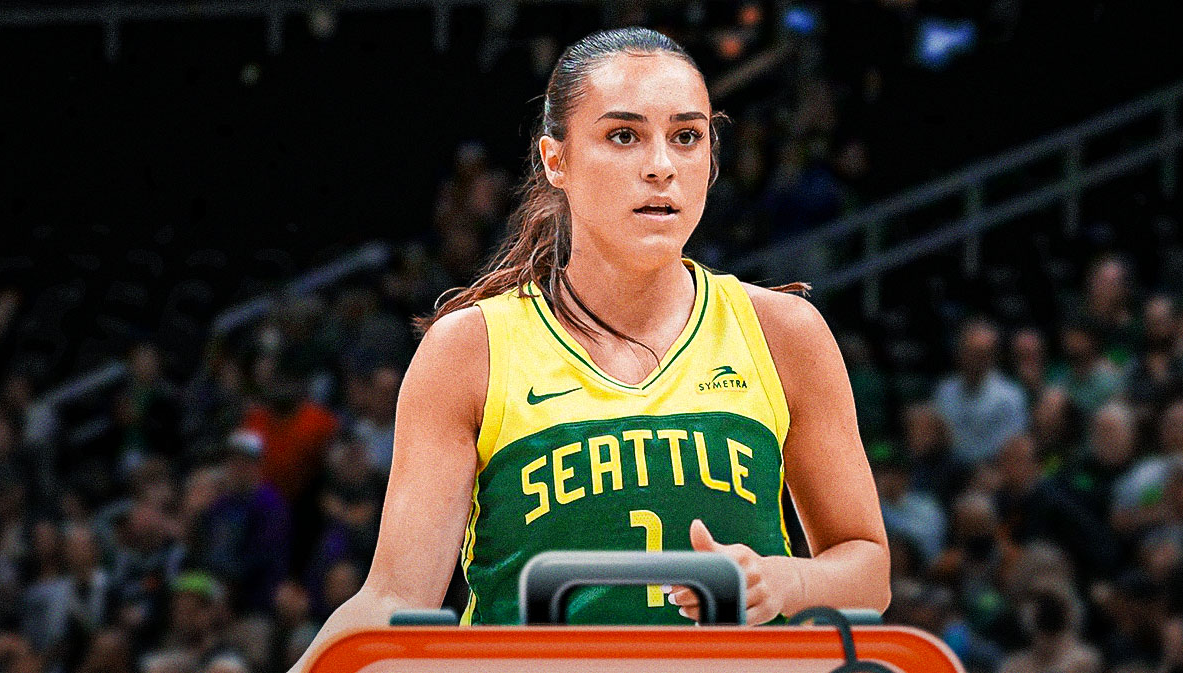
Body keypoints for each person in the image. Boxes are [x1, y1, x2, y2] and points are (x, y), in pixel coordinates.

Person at [289, 26, 889, 671]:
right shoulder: (471, 349)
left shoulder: (784, 332)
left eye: (687, 137)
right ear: (556, 160)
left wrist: (787, 581)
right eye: (624, 135)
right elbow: (392, 599)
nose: (660, 165)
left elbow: (868, 569)